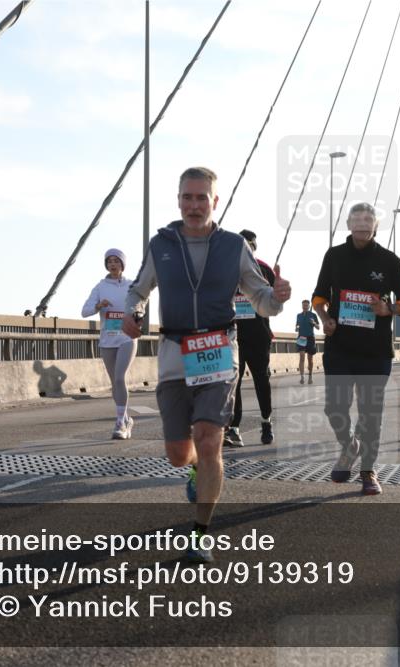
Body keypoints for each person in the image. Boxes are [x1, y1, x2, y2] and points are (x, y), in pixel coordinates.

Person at [122, 167, 291, 563]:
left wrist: (278, 297)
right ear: (178, 200)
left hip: (218, 349)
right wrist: (133, 312)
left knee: (210, 437)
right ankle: (195, 468)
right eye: (188, 197)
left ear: (215, 202)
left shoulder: (234, 246)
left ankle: (200, 534)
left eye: (202, 198)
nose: (194, 205)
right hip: (174, 353)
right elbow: (137, 290)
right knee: (179, 454)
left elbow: (262, 300)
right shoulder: (161, 244)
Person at [312, 202, 400, 495]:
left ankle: (368, 471)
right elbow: (319, 296)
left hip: (375, 351)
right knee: (335, 408)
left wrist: (388, 309)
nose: (362, 222)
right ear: (348, 224)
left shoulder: (389, 261)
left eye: (368, 218)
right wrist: (324, 317)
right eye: (356, 218)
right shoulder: (334, 256)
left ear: (375, 226)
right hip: (339, 347)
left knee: (371, 414)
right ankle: (350, 446)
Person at [224, 229, 276, 448]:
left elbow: (273, 302)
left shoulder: (264, 269)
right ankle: (234, 428)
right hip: (233, 334)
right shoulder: (225, 268)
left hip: (258, 335)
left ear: (254, 248)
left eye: (249, 246)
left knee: (261, 380)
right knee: (233, 383)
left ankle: (266, 422)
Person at [82, 249, 135, 439]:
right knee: (115, 383)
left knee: (120, 378)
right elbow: (85, 311)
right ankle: (126, 419)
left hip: (127, 337)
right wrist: (98, 306)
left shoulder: (131, 285)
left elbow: (142, 304)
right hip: (108, 338)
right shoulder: (100, 287)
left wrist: (136, 314)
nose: (113, 264)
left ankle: (120, 423)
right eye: (109, 261)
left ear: (123, 264)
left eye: (116, 261)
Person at [295, 299, 321, 384]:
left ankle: (310, 376)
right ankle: (302, 377)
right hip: (301, 338)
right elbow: (297, 326)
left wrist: (314, 323)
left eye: (306, 305)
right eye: (303, 305)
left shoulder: (313, 315)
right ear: (302, 306)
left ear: (309, 306)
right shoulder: (298, 315)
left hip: (310, 338)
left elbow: (318, 327)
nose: (305, 307)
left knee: (310, 359)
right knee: (302, 356)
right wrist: (297, 328)